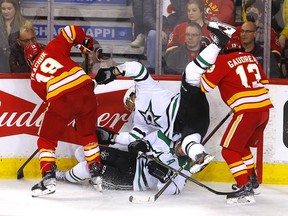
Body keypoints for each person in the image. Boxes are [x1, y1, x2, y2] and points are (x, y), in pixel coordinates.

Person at [94, 20, 236, 174]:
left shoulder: (145, 87)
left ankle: (218, 43)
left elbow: (136, 68)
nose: (129, 106)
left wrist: (114, 72)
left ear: (132, 94)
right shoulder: (139, 121)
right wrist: (111, 137)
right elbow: (132, 137)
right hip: (189, 125)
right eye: (127, 106)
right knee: (189, 142)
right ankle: (201, 157)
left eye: (128, 101)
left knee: (191, 73)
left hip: (184, 105)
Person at [23, 25, 103, 197]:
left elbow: (51, 101)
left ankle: (48, 177)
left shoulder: (33, 79)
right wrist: (84, 41)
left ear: (29, 60)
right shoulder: (52, 47)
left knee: (47, 138)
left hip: (62, 99)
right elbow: (70, 30)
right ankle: (96, 173)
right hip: (85, 88)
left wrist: (68, 113)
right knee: (88, 134)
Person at [197, 38, 273, 204]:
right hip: (264, 110)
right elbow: (264, 85)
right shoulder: (251, 57)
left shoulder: (223, 60)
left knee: (228, 150)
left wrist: (204, 68)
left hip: (248, 112)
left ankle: (244, 187)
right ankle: (251, 180)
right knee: (241, 146)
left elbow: (205, 86)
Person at [56, 129, 191, 194]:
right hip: (129, 160)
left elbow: (172, 190)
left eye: (186, 151)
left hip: (133, 179)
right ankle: (90, 176)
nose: (182, 152)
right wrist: (139, 145)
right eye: (182, 147)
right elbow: (144, 143)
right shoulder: (163, 136)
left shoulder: (185, 166)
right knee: (83, 151)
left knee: (85, 168)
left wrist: (163, 177)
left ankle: (64, 176)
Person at [232, 0, 282, 68]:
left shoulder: (268, 31)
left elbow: (276, 54)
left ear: (260, 14)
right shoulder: (238, 30)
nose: (250, 12)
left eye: (254, 9)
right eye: (248, 9)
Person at [143, 0, 187, 73]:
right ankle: (152, 69)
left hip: (175, 29)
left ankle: (174, 68)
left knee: (183, 33)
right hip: (157, 29)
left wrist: (174, 31)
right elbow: (147, 16)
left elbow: (184, 15)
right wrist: (158, 29)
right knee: (152, 35)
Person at [0, 0, 26, 72]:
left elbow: (29, 45)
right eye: (3, 9)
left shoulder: (24, 24)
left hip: (18, 65)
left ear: (15, 8)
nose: (6, 11)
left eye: (9, 8)